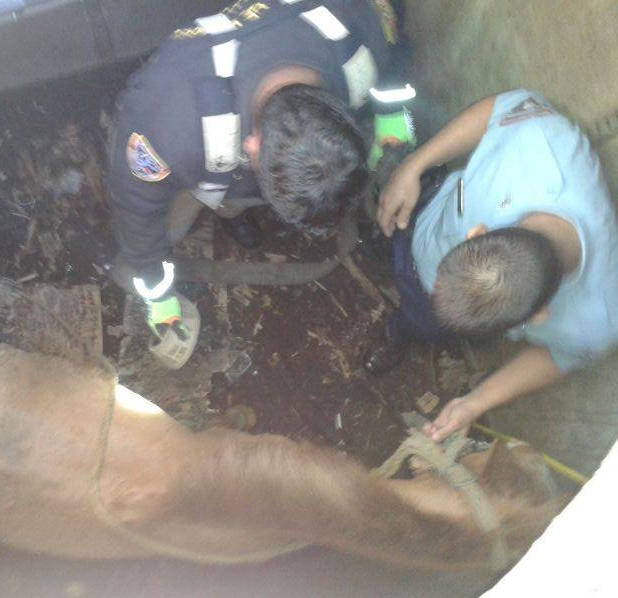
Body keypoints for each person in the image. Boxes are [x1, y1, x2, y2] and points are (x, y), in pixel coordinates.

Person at [107, 0, 416, 340]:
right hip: (195, 144)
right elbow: (137, 206)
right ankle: (202, 219)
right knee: (170, 226)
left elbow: (393, 56)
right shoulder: (165, 126)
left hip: (228, 162)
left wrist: (390, 117)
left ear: (340, 113)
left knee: (234, 198)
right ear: (250, 146)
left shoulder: (358, 29)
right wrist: (156, 289)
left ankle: (231, 212)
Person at [365, 88, 618, 442]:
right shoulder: (542, 141)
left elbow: (558, 357)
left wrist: (474, 403)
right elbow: (497, 109)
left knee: (421, 319)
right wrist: (413, 166)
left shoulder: (599, 320)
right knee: (388, 233)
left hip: (431, 307)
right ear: (477, 233)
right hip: (427, 205)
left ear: (538, 316)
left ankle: (400, 331)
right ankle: (385, 247)